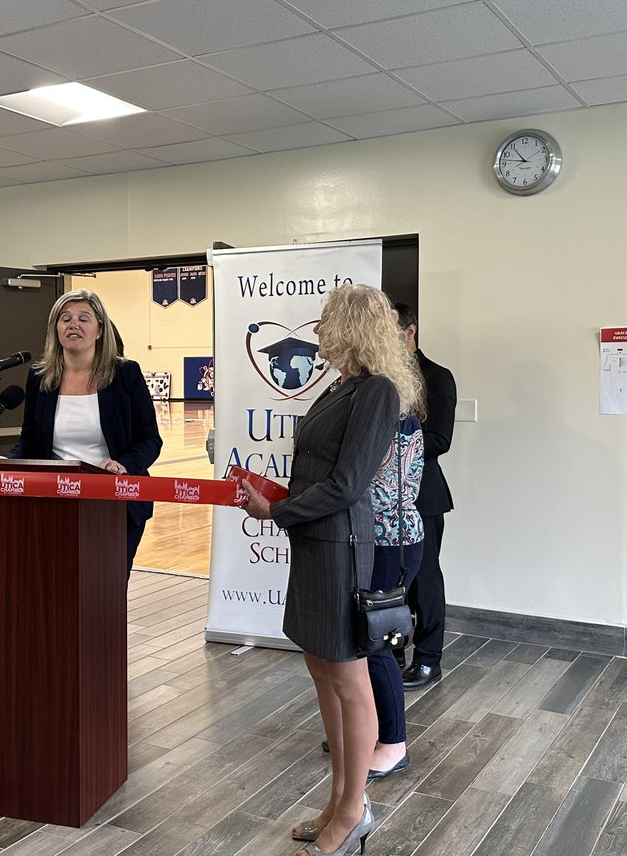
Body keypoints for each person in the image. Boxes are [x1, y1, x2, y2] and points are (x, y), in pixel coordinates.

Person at [239, 283, 402, 856]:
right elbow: (322, 473)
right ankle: (338, 800)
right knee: (321, 669)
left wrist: (276, 510)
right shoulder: (344, 387)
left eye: (326, 319)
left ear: (354, 325)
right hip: (316, 540)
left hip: (338, 544)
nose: (316, 330)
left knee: (349, 680)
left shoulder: (377, 392)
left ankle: (354, 810)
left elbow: (347, 484)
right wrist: (277, 499)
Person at [10, 290, 162, 577]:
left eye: (83, 318)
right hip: (54, 501)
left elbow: (150, 439)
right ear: (55, 329)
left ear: (100, 330)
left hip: (115, 502)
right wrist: (7, 463)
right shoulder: (40, 377)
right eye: (64, 319)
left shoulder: (125, 374)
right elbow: (29, 438)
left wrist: (124, 464)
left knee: (105, 586)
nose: (73, 325)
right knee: (56, 585)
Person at [364, 354, 425, 781]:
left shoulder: (389, 409)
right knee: (359, 642)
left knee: (375, 645)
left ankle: (392, 742)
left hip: (391, 540)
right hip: (380, 537)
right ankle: (367, 726)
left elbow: (378, 487)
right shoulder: (390, 403)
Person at [395, 303, 457, 691]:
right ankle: (391, 651)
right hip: (383, 500)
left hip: (423, 496)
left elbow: (440, 440)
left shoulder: (438, 376)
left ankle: (428, 660)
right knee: (389, 582)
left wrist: (389, 450)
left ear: (410, 331)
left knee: (424, 580)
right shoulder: (379, 379)